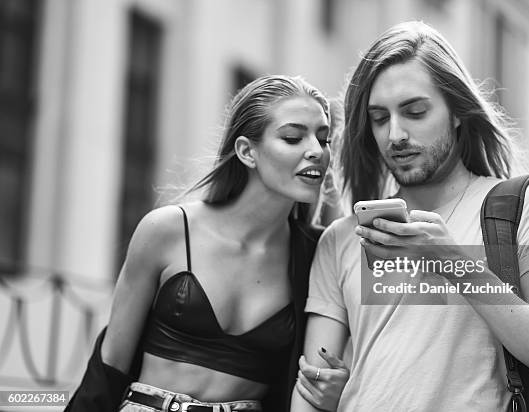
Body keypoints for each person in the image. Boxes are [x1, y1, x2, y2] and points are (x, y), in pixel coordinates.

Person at [291, 21, 529, 411]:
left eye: (415, 111)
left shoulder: (527, 205)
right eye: (380, 118)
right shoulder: (341, 239)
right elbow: (311, 391)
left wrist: (454, 262)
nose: (395, 134)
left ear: (458, 112)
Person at [66, 75, 348, 412]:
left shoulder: (319, 253)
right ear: (246, 151)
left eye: (324, 138)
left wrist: (339, 389)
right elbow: (110, 365)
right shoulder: (168, 230)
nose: (317, 152)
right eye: (292, 138)